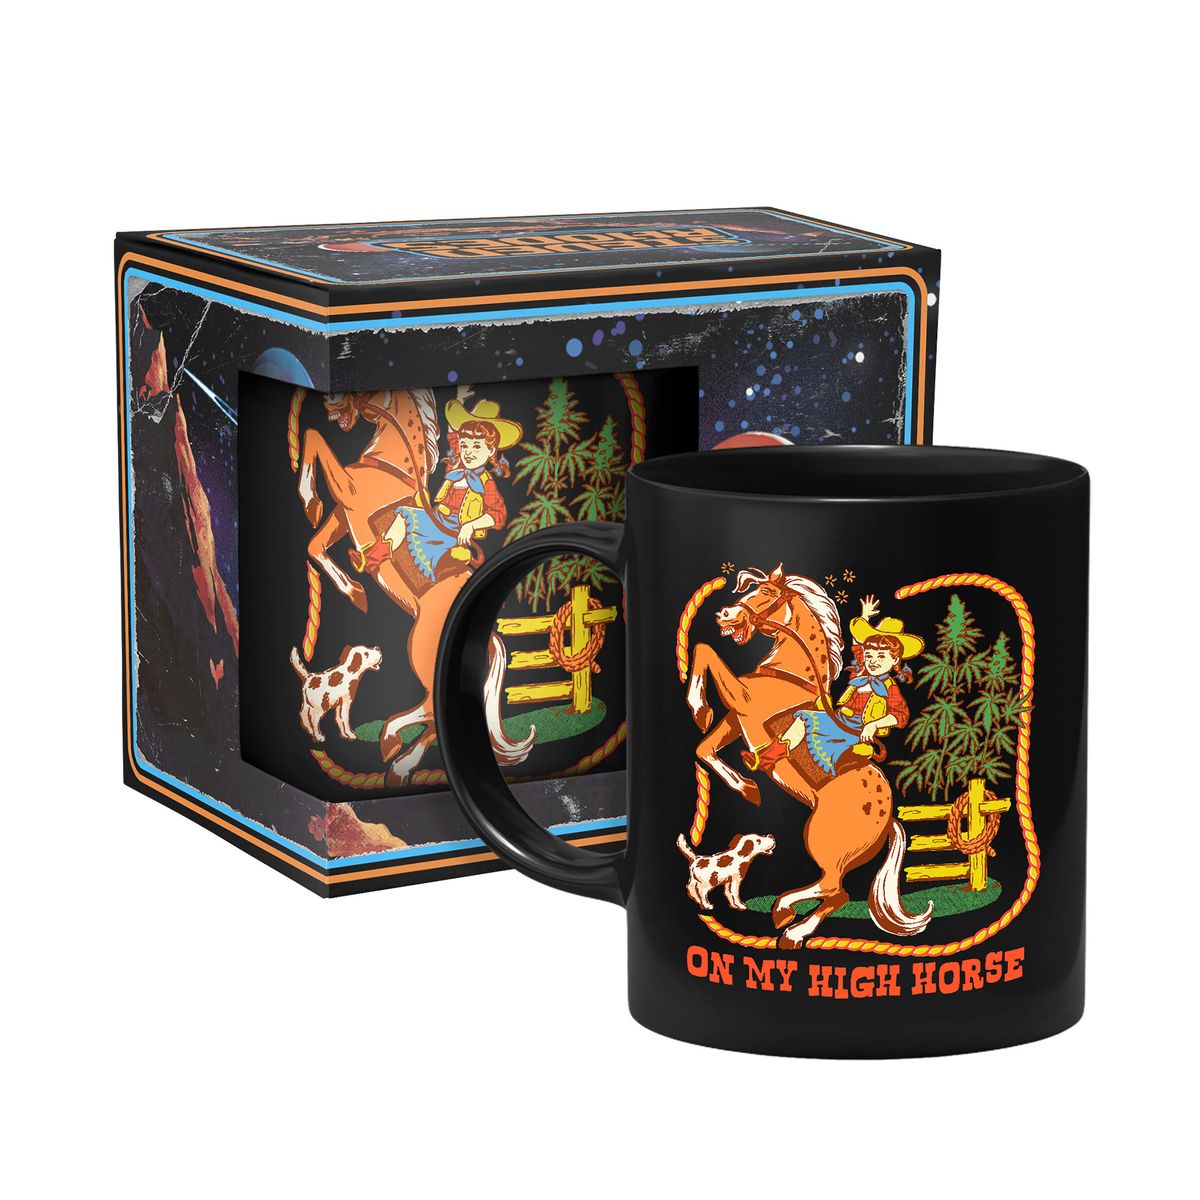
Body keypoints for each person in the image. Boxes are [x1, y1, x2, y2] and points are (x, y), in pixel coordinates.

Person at [750, 596, 924, 777]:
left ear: (895, 660)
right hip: (839, 719)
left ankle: (855, 754)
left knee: (839, 748)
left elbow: (900, 715)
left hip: (855, 731)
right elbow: (857, 648)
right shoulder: (860, 673)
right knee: (803, 718)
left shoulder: (889, 687)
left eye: (881, 656)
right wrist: (864, 617)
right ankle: (765, 758)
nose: (873, 661)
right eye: (870, 656)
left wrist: (873, 725)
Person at [381, 392, 522, 581]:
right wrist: (460, 399)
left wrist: (470, 526)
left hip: (454, 531)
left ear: (491, 451)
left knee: (448, 558)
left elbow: (497, 515)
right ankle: (375, 556)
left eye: (477, 447)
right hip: (437, 518)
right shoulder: (455, 470)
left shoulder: (485, 483)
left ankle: (450, 562)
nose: (469, 453)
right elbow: (453, 437)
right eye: (465, 446)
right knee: (404, 513)